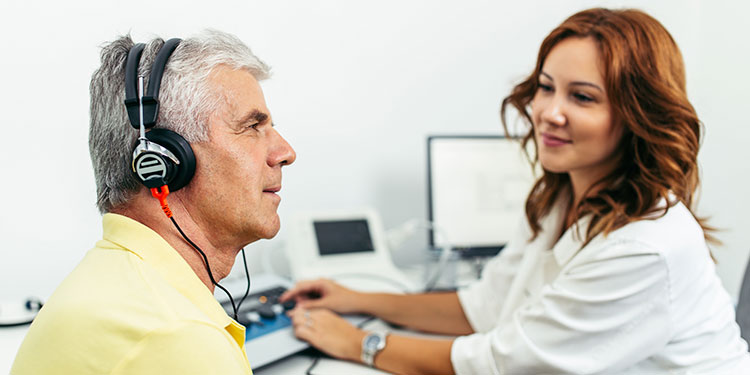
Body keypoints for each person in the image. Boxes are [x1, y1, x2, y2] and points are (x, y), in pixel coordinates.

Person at [280, 8, 750, 374]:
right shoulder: (564, 198)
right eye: (546, 88)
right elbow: (484, 307)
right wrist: (357, 298)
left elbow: (500, 364)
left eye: (582, 96)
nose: (549, 112)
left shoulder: (646, 248)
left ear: (637, 114)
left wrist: (358, 343)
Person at [11, 30, 295, 375]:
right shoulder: (178, 337)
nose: (285, 153)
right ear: (165, 161)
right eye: (252, 126)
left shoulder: (112, 282)